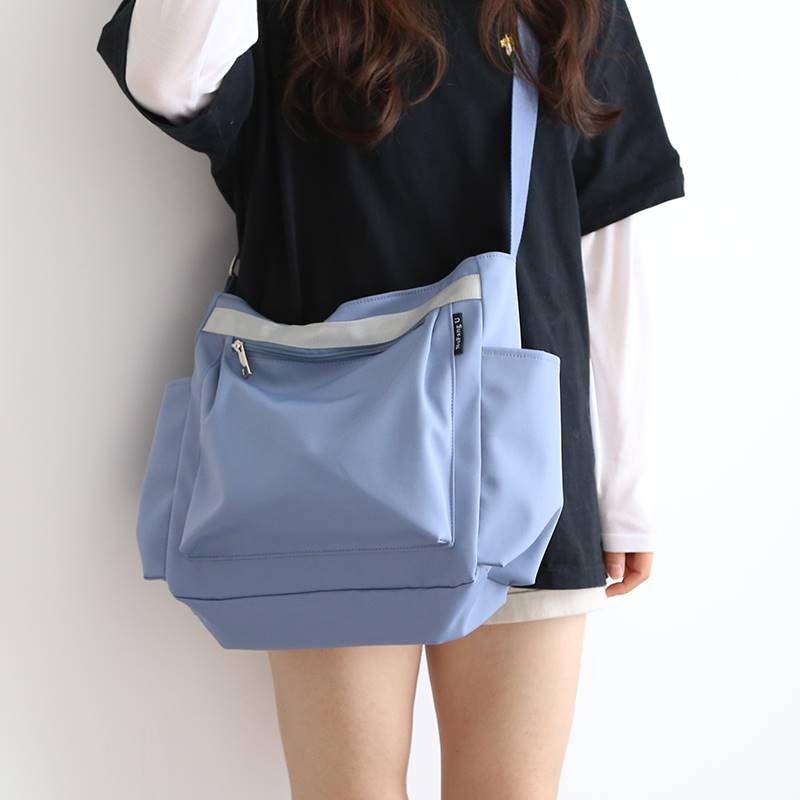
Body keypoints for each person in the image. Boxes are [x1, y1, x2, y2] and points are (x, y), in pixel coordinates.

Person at [96, 1, 684, 797]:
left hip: (524, 458)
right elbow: (167, 77)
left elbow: (612, 229)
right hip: (324, 464)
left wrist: (625, 489)